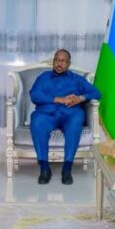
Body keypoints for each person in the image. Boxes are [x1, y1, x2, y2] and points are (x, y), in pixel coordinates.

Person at [29, 49, 101, 185]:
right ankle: (44, 168)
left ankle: (67, 168)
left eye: (63, 61)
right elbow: (35, 95)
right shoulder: (43, 77)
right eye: (56, 60)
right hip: (47, 114)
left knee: (77, 117)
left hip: (69, 114)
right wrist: (59, 99)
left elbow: (96, 93)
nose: (59, 63)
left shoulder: (76, 79)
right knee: (37, 120)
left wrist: (80, 98)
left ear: (69, 63)